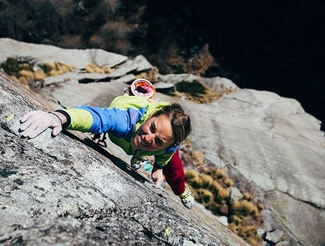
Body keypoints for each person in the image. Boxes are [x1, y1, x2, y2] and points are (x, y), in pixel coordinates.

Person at [18, 80, 194, 209]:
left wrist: (158, 167)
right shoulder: (125, 121)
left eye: (158, 141)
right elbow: (96, 117)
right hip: (127, 108)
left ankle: (183, 192)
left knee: (174, 167)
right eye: (152, 127)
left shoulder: (169, 146)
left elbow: (166, 154)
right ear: (149, 117)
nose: (149, 138)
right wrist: (59, 117)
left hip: (163, 135)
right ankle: (134, 96)